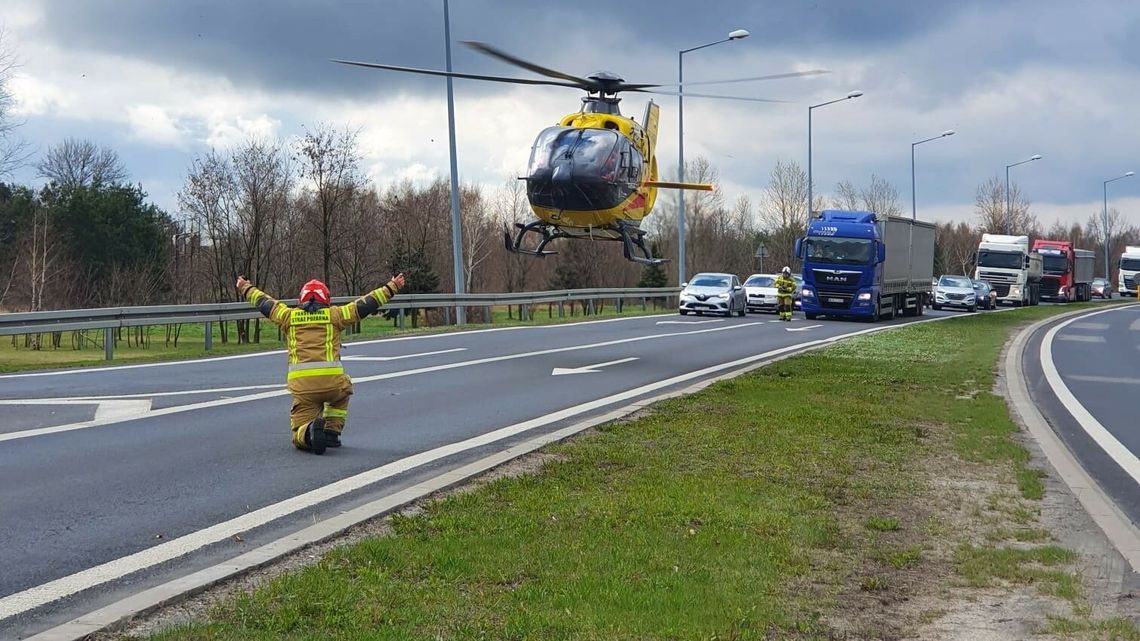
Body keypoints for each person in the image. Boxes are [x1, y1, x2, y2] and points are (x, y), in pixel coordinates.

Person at [236, 273, 406, 454]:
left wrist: (244, 286)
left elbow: (264, 303)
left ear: (301, 299)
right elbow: (366, 304)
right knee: (344, 390)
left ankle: (309, 432)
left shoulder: (288, 317)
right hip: (332, 385)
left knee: (297, 434)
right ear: (327, 299)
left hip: (304, 390)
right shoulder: (336, 315)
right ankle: (332, 432)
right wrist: (391, 287)